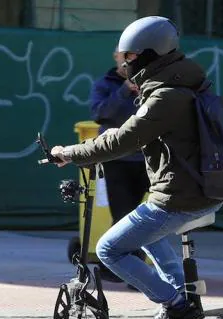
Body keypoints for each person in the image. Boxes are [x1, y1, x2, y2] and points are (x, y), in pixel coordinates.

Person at [50, 16, 223, 319]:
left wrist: (70, 153)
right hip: (204, 192)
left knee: (109, 249)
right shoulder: (189, 84)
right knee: (147, 235)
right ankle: (180, 300)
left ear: (148, 55)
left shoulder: (164, 96)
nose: (125, 63)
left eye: (129, 56)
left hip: (179, 197)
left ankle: (175, 306)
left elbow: (121, 141)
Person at [90, 48, 150, 284]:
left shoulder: (150, 83)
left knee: (152, 216)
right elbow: (100, 113)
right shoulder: (105, 84)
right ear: (116, 57)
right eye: (123, 56)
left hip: (148, 159)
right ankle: (126, 270)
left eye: (131, 57)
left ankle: (137, 270)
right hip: (118, 160)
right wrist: (125, 91)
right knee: (124, 216)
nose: (127, 62)